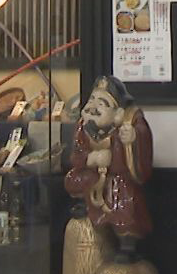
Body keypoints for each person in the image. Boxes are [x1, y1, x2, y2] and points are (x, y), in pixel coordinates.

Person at [64, 75, 155, 242]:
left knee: (124, 198)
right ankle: (86, 210)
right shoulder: (83, 127)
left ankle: (125, 241)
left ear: (118, 114)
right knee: (73, 179)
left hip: (116, 180)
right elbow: (76, 157)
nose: (93, 107)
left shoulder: (125, 127)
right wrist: (92, 158)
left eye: (102, 104)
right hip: (91, 176)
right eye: (91, 100)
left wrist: (133, 138)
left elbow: (134, 164)